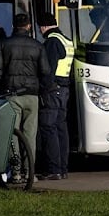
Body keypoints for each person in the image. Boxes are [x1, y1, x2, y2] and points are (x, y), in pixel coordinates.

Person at [0, 13, 54, 179]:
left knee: (12, 134)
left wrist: (3, 84)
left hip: (11, 94)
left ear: (13, 26)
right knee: (30, 135)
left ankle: (16, 171)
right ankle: (29, 171)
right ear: (28, 26)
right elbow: (46, 70)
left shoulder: (4, 44)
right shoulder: (37, 45)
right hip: (32, 95)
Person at [37, 14, 74, 180]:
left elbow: (48, 69)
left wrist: (44, 88)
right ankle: (62, 169)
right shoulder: (66, 40)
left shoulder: (52, 41)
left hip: (53, 89)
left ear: (43, 26)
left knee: (48, 127)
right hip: (64, 89)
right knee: (61, 129)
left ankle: (53, 169)